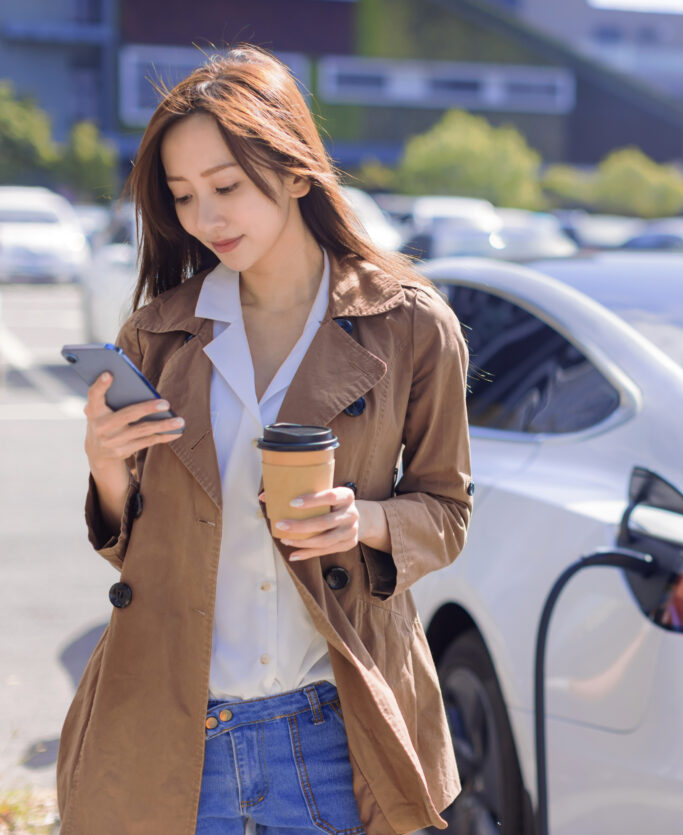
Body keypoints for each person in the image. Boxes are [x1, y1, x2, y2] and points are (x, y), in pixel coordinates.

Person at [57, 45, 473, 835]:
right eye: (182, 196)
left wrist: (366, 521)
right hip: (172, 732)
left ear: (293, 171)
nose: (205, 219)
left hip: (334, 731)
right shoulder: (158, 334)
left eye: (226, 187)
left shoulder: (411, 325)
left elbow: (448, 510)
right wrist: (108, 470)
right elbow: (134, 552)